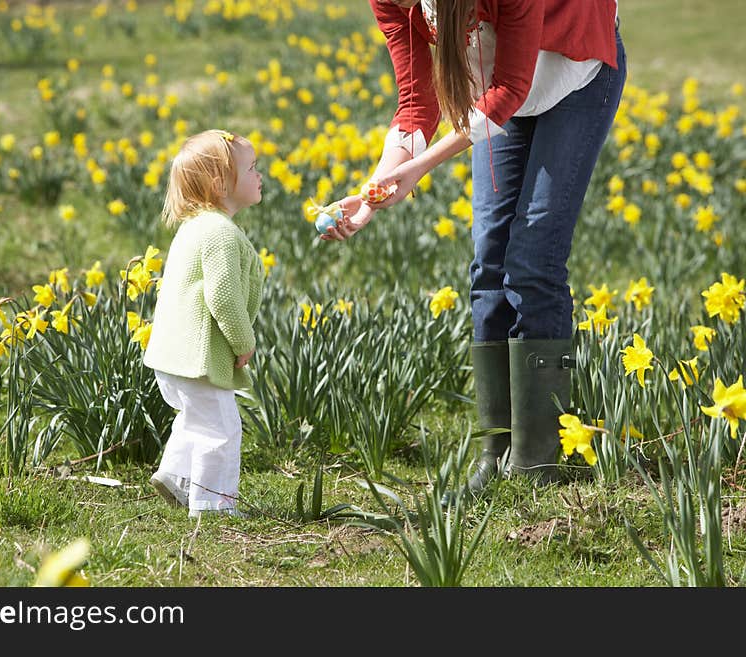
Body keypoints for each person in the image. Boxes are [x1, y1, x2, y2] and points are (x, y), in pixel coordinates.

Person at [323, 0, 626, 495]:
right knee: (489, 261)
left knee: (533, 262)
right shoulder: (392, 2)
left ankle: (536, 465)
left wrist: (420, 168)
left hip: (575, 71)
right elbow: (417, 103)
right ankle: (496, 454)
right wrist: (373, 193)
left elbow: (511, 91)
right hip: (496, 92)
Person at [142, 129, 264, 518]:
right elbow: (223, 297)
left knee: (195, 419)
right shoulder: (221, 235)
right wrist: (243, 342)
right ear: (220, 183)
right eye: (251, 168)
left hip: (171, 357)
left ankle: (175, 476)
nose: (259, 175)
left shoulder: (194, 228)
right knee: (221, 430)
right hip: (200, 359)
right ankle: (214, 507)